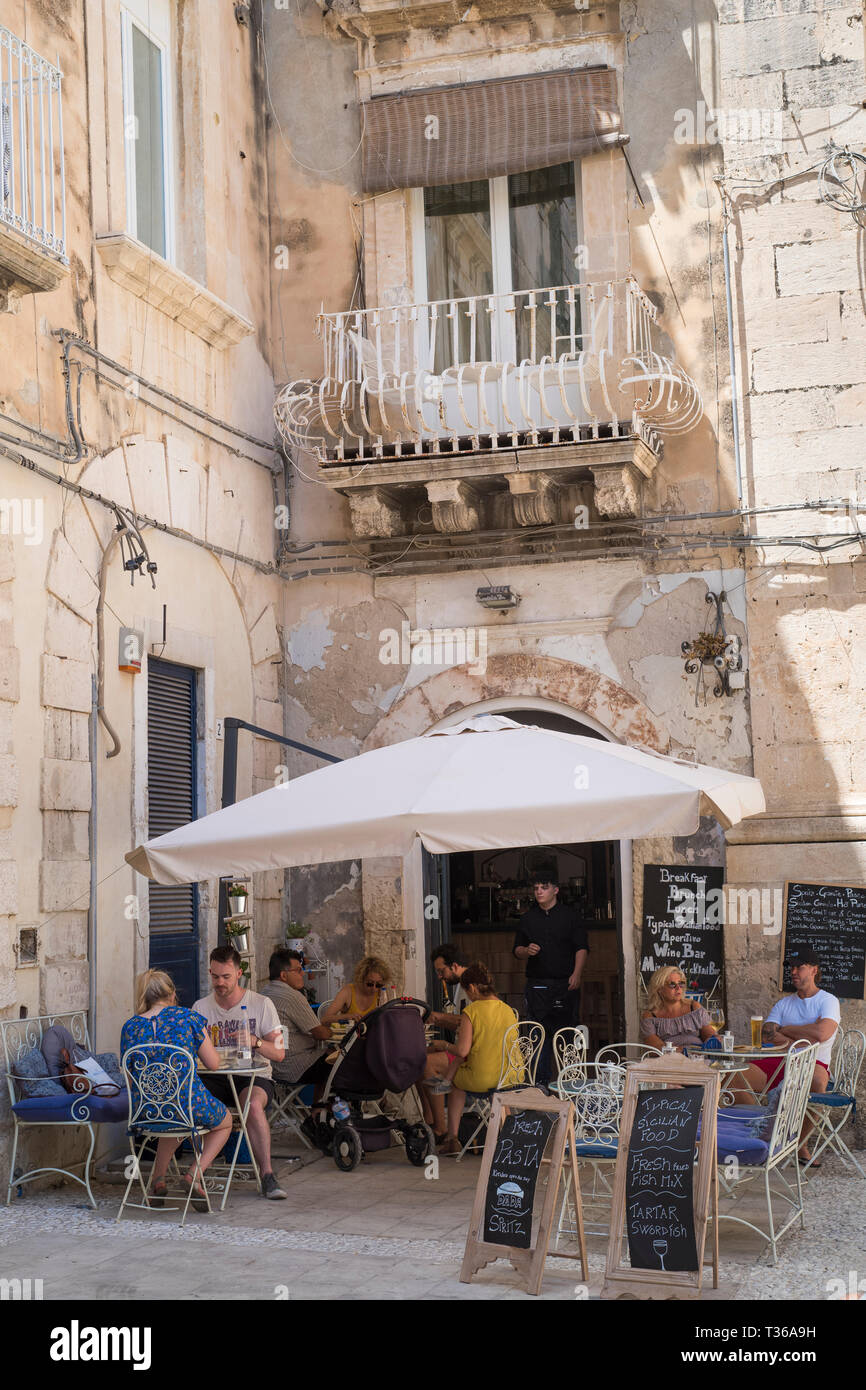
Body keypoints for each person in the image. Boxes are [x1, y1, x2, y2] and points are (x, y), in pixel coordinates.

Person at [120, 969, 232, 1207]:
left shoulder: (130, 1027)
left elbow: (130, 1078)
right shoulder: (187, 1018)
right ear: (171, 994)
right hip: (187, 1104)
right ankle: (193, 1174)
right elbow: (213, 1064)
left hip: (146, 1111)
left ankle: (158, 1182)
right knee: (225, 1122)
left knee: (173, 1118)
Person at [194, 945, 288, 1200]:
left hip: (253, 1075)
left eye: (226, 977)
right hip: (214, 1077)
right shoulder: (201, 1008)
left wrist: (255, 1042)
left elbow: (279, 1053)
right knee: (189, 1102)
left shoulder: (261, 1004)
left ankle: (267, 1174)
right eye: (215, 977)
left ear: (239, 973)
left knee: (253, 1106)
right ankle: (194, 1173)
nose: (220, 983)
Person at [730, 949, 839, 1162]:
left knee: (818, 1082)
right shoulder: (784, 1003)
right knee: (734, 1078)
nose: (794, 971)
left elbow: (822, 1033)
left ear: (814, 970)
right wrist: (801, 1034)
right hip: (779, 1060)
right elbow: (768, 1033)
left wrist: (786, 1029)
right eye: (792, 967)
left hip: (812, 1061)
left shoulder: (828, 1001)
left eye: (800, 967)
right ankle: (763, 1135)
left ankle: (800, 1145)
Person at [424, 961, 519, 1156]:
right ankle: (507, 1136)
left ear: (473, 988)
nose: (468, 996)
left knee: (457, 1083)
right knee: (462, 1069)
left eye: (467, 992)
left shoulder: (472, 1012)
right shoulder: (508, 1010)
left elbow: (461, 1050)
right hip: (510, 1075)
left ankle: (452, 1137)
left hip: (484, 1078)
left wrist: (443, 1045)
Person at [513, 873, 589, 1083]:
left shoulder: (570, 916)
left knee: (568, 1034)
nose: (538, 891)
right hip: (538, 984)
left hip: (566, 982)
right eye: (536, 887)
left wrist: (577, 973)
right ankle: (541, 1085)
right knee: (538, 1035)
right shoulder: (528, 918)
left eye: (543, 887)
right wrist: (526, 950)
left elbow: (581, 948)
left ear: (555, 890)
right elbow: (516, 949)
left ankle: (572, 1082)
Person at [260, 948, 332, 1100]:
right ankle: (321, 1111)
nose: (303, 974)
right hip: (293, 1067)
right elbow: (320, 1033)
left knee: (328, 1060)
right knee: (338, 1062)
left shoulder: (264, 992)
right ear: (284, 975)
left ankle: (318, 1111)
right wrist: (331, 1031)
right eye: (298, 970)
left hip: (269, 1067)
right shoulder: (292, 996)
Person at [421, 944, 470, 1141]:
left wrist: (439, 1018)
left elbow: (468, 1023)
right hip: (462, 1050)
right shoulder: (461, 986)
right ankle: (430, 1121)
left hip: (470, 1054)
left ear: (455, 966)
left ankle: (440, 1128)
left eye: (442, 971)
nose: (440, 977)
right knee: (419, 1059)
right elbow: (461, 1024)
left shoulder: (471, 986)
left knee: (427, 1063)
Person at [640, 966, 719, 1051]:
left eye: (681, 983)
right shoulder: (650, 1016)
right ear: (659, 989)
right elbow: (655, 1048)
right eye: (672, 984)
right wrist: (686, 1051)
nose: (678, 988)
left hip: (698, 1059)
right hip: (668, 1061)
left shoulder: (694, 1007)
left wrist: (712, 1042)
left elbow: (709, 1035)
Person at [319, 956, 392, 1026]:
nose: (374, 988)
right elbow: (325, 1019)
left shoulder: (383, 993)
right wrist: (347, 1017)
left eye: (378, 985)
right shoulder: (348, 991)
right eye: (370, 983)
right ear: (361, 978)